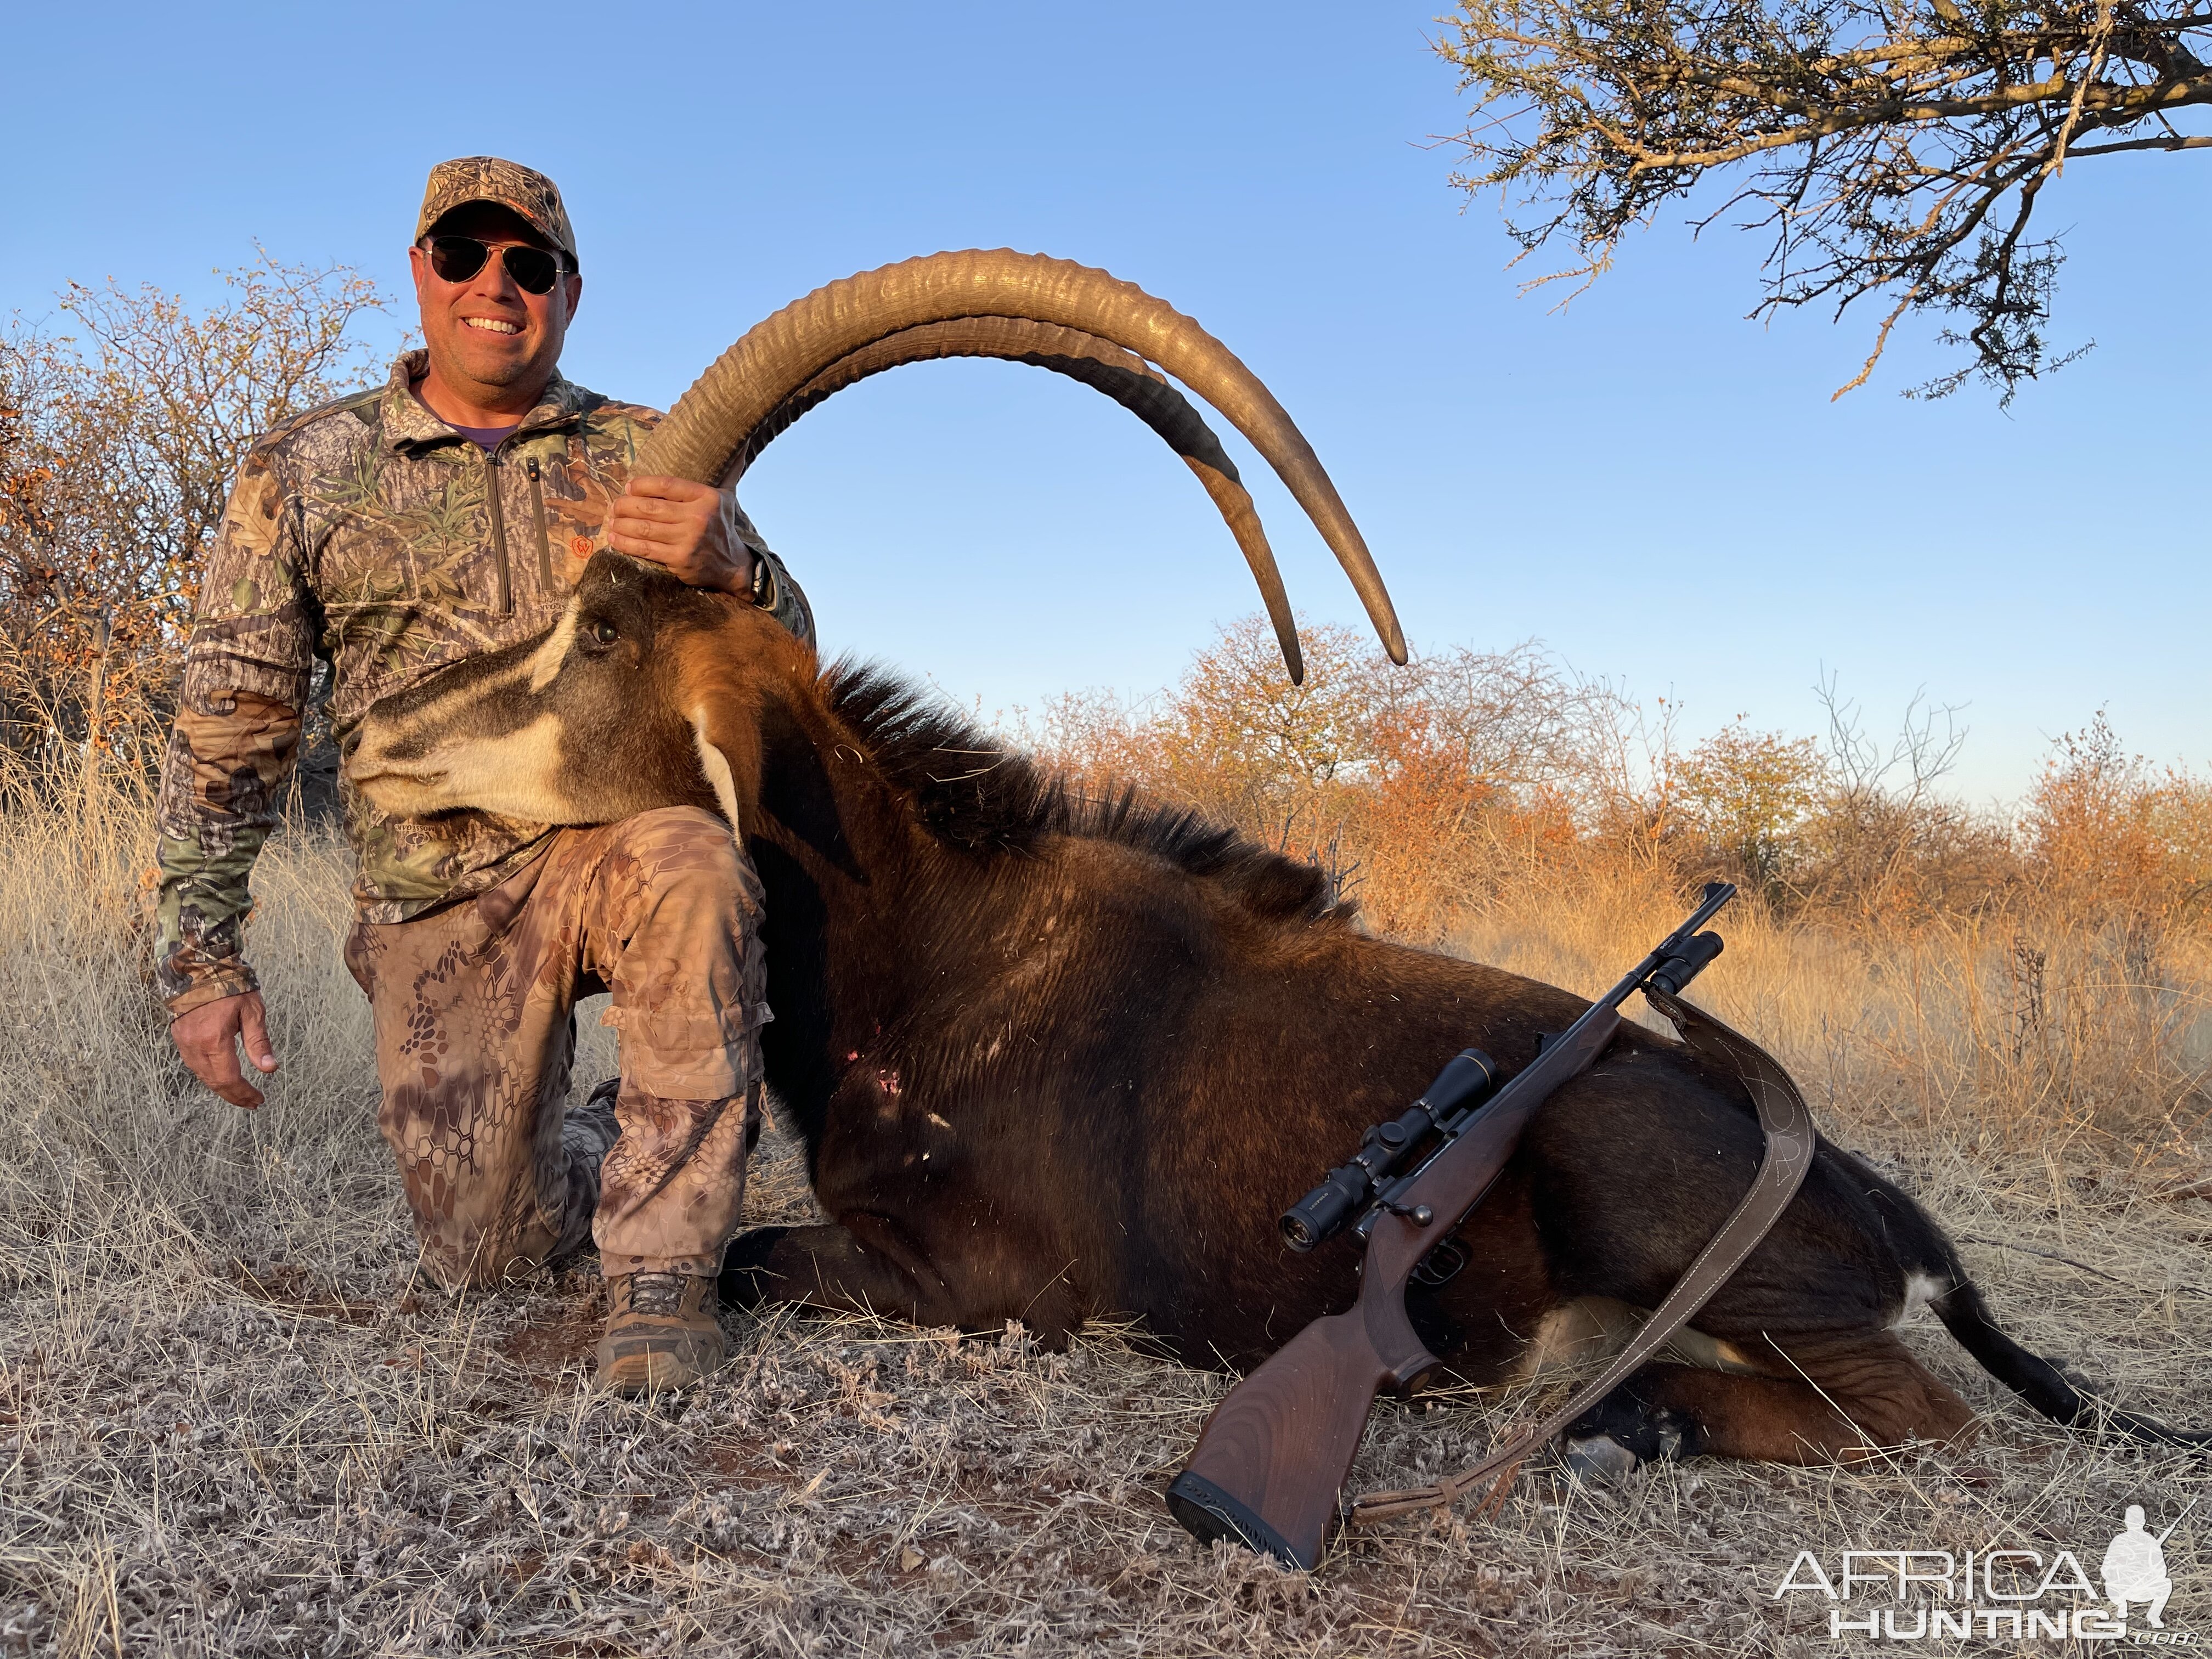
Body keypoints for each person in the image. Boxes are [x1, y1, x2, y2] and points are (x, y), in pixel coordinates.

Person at [156, 156, 812, 1394]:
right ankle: (633, 1119)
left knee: (693, 872)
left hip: (615, 849)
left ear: (570, 290)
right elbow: (232, 720)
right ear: (420, 275)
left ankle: (664, 1280)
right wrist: (204, 960)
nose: (493, 284)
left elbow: (790, 664)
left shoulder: (649, 451)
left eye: (528, 263)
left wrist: (740, 571)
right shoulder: (308, 467)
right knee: (486, 1256)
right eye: (463, 256)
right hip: (439, 898)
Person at [2101, 1505, 2174, 1628]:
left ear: (2126, 1522)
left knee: (2166, 1584)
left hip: (2138, 1590)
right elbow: (2106, 1568)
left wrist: (2147, 1575)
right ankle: (2123, 1606)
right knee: (2166, 1584)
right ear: (2143, 1522)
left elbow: (2105, 1570)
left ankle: (2151, 1614)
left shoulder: (2148, 1542)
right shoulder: (2121, 1541)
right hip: (2127, 1589)